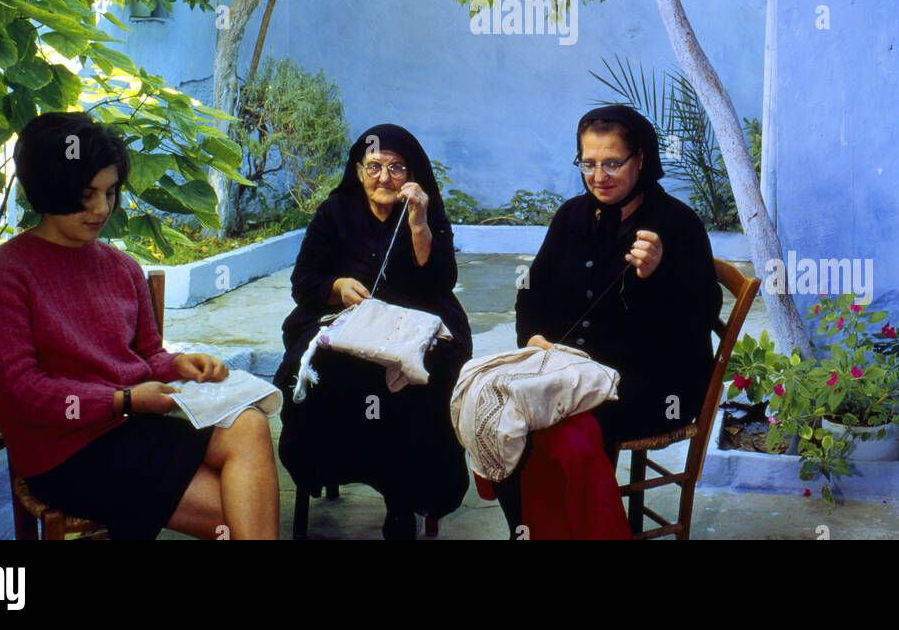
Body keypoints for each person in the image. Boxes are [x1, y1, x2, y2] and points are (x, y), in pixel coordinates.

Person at [0, 112, 279, 540]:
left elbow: (149, 354)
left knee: (250, 425)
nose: (102, 209)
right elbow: (19, 393)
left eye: (111, 192)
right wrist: (123, 399)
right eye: (86, 194)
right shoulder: (1, 275)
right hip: (65, 452)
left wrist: (181, 365)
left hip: (132, 425)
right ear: (47, 188)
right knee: (242, 515)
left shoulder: (122, 267)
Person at [500, 104, 721, 536]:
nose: (599, 176)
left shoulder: (676, 224)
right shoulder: (571, 216)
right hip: (572, 369)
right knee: (501, 409)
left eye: (613, 163)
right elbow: (531, 288)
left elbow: (700, 314)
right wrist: (534, 337)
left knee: (563, 429)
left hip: (655, 383)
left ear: (641, 160)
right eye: (589, 162)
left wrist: (660, 273)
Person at [274, 124, 472, 540]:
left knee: (416, 376)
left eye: (397, 168)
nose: (384, 178)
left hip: (417, 314)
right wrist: (338, 287)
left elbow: (441, 282)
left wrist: (419, 224)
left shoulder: (426, 209)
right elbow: (303, 280)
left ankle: (403, 498)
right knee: (315, 368)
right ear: (358, 169)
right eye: (374, 167)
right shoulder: (335, 211)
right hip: (343, 317)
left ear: (413, 172)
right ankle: (324, 466)